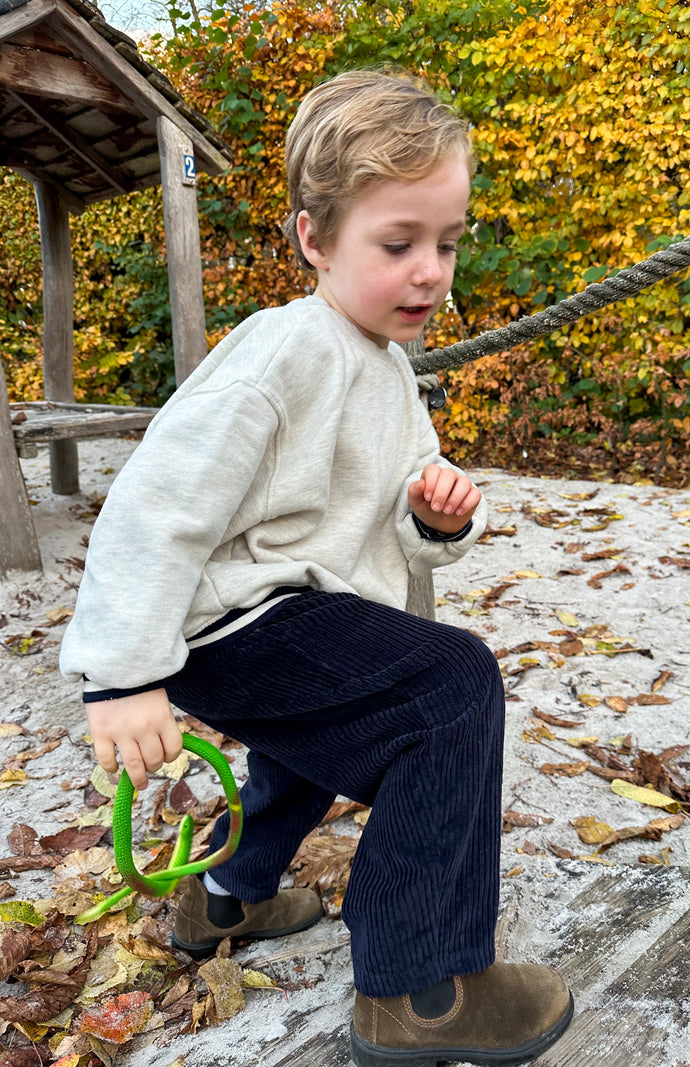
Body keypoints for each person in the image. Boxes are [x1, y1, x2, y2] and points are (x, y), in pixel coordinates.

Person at [60, 69, 573, 1066]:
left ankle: (224, 898)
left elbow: (393, 503)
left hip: (289, 617)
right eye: (397, 244)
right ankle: (417, 987)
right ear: (313, 239)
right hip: (227, 622)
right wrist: (123, 672)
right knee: (449, 683)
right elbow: (154, 506)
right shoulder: (279, 353)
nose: (430, 271)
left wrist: (433, 517)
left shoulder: (384, 365)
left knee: (305, 750)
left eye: (446, 242)